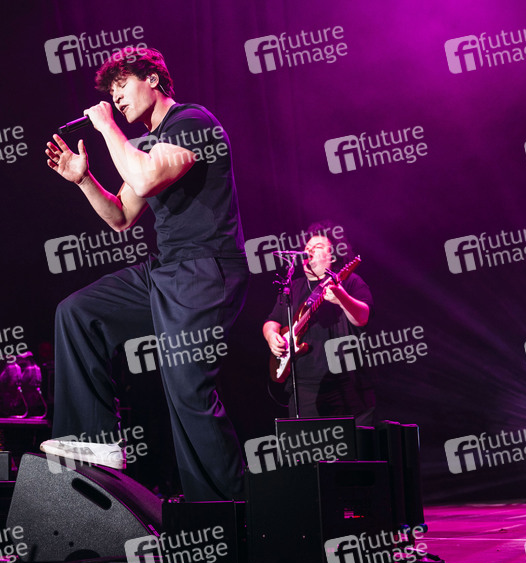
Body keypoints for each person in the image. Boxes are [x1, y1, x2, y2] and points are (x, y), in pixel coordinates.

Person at [40, 47, 248, 501]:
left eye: (122, 86)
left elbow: (148, 179)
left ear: (152, 79)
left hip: (205, 269)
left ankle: (227, 511)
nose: (115, 99)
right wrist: (84, 180)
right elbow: (121, 216)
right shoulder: (148, 144)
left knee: (187, 389)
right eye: (110, 93)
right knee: (78, 313)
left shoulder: (193, 121)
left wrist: (107, 128)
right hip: (167, 271)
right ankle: (93, 440)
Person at [262, 223, 376, 425]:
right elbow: (272, 321)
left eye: (317, 247)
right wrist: (272, 336)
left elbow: (362, 317)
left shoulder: (349, 281)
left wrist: (341, 298)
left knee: (351, 443)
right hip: (304, 387)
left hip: (346, 384)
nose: (309, 251)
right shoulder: (293, 288)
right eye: (307, 248)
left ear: (332, 257)